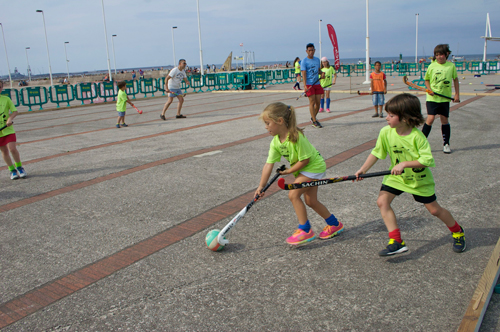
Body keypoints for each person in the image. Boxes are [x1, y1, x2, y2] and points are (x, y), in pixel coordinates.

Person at [354, 94, 465, 256]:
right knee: (382, 201)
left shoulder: (417, 137)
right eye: (387, 114)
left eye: (391, 115)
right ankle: (396, 240)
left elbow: (426, 160)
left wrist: (405, 164)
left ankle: (457, 231)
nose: (387, 118)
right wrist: (363, 169)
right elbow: (377, 153)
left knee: (435, 210)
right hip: (396, 177)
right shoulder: (386, 132)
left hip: (418, 180)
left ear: (405, 118)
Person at [256, 102, 344, 245]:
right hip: (303, 170)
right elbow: (268, 164)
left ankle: (305, 230)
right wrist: (261, 186)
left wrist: (290, 171)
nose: (266, 127)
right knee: (311, 201)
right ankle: (335, 224)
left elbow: (305, 160)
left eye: (268, 123)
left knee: (294, 194)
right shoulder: (275, 142)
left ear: (280, 121)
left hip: (313, 167)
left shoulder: (296, 137)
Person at [422, 44, 460, 154]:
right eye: (437, 55)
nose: (439, 57)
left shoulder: (451, 66)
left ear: (446, 54)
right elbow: (427, 80)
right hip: (432, 98)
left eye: (441, 54)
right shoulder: (432, 66)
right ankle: (421, 143)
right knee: (430, 119)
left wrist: (457, 94)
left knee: (444, 120)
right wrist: (429, 89)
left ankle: (446, 144)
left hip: (444, 99)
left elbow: (456, 80)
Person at [0, 80, 27, 180]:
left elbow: (15, 111)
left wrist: (10, 119)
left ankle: (19, 167)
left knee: (12, 149)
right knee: (4, 151)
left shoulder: (6, 99)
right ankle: (12, 170)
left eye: (0, 87)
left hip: (8, 129)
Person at [301, 43, 325, 128]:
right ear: (306, 51)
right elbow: (303, 73)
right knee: (312, 102)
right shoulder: (304, 61)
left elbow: (319, 70)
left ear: (314, 50)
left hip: (317, 83)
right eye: (309, 50)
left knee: (318, 103)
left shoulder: (317, 60)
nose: (311, 52)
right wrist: (305, 86)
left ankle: (313, 117)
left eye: (312, 50)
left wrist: (322, 74)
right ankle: (314, 121)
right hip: (309, 84)